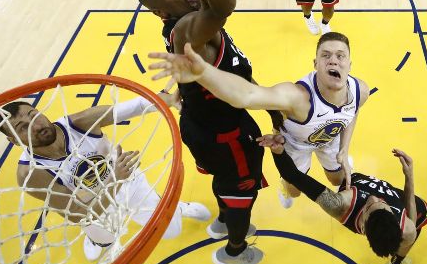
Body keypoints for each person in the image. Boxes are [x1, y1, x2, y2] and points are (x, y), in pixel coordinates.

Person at [136, 0, 278, 264]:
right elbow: (222, 6)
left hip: (204, 126)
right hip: (226, 135)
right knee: (241, 194)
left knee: (224, 183)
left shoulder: (184, 25)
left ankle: (220, 219)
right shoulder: (186, 30)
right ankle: (235, 249)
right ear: (159, 11)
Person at [150, 31, 369, 209]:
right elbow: (247, 95)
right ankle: (285, 185)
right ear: (315, 63)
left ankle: (335, 158)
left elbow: (351, 112)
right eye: (326, 55)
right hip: (295, 145)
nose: (334, 61)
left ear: (350, 64)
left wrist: (344, 147)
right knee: (295, 192)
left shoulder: (361, 90)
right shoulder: (297, 97)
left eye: (340, 56)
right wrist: (204, 73)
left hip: (329, 140)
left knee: (337, 180)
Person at [0, 97, 211, 262]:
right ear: (13, 140)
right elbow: (79, 214)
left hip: (127, 180)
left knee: (172, 231)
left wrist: (165, 98)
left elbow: (132, 107)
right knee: (105, 241)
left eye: (34, 115)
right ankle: (94, 237)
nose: (37, 125)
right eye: (23, 127)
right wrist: (113, 180)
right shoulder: (29, 175)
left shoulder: (78, 123)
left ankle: (177, 208)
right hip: (90, 206)